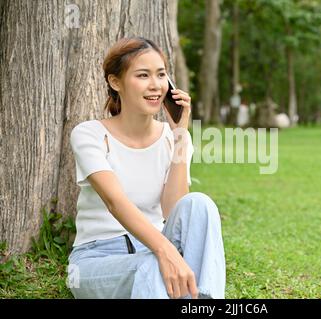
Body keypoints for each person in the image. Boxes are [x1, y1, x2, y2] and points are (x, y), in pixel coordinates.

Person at [66, 37, 226, 299]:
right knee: (152, 266)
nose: (156, 86)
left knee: (200, 203)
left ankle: (204, 299)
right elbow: (115, 202)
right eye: (143, 75)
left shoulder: (171, 137)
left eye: (161, 75)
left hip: (154, 249)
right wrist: (165, 252)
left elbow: (172, 209)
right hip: (97, 260)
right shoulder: (89, 134)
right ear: (115, 82)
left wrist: (179, 137)